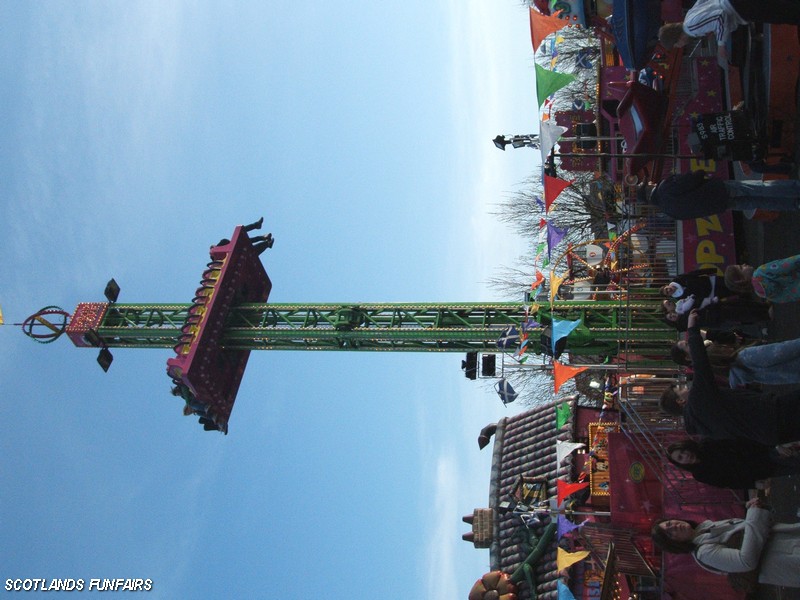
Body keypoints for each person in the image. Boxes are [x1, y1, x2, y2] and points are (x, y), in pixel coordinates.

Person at [659, 309, 800, 445]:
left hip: (768, 433)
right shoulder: (697, 402)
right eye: (680, 388)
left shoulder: (701, 427)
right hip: (770, 413)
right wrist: (692, 329)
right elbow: (701, 364)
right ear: (680, 401)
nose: (686, 387)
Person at [651, 498, 800, 588]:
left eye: (670, 523)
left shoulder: (704, 527)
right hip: (785, 559)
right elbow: (745, 561)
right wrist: (754, 515)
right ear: (674, 543)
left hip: (786, 540)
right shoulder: (704, 553)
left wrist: (755, 508)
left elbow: (747, 527)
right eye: (670, 533)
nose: (675, 526)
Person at [658, 0, 800, 65]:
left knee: (783, 13)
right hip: (735, 4)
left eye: (677, 45)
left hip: (740, 8)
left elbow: (719, 17)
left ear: (677, 39)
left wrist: (721, 45)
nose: (680, 46)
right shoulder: (689, 16)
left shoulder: (692, 28)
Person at [637, 170, 800, 220]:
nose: (651, 182)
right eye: (647, 183)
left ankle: (794, 204)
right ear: (648, 189)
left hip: (720, 205)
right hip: (717, 189)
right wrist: (703, 174)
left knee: (757, 202)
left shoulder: (667, 210)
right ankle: (795, 189)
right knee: (760, 188)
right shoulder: (665, 187)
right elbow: (691, 179)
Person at [671, 334, 800, 387]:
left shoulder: (731, 373)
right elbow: (782, 350)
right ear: (688, 357)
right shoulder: (744, 357)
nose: (692, 342)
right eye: (688, 345)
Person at [666, 438, 800, 489]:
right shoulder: (700, 474)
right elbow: (728, 482)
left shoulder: (707, 445)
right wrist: (752, 484)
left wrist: (773, 445)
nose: (685, 456)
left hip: (764, 454)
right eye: (680, 458)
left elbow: (740, 441)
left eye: (683, 452)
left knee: (794, 460)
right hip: (762, 472)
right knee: (794, 468)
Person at [725, 255, 800, 303]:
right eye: (741, 268)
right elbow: (786, 264)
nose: (744, 264)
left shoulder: (761, 293)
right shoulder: (760, 273)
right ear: (742, 279)